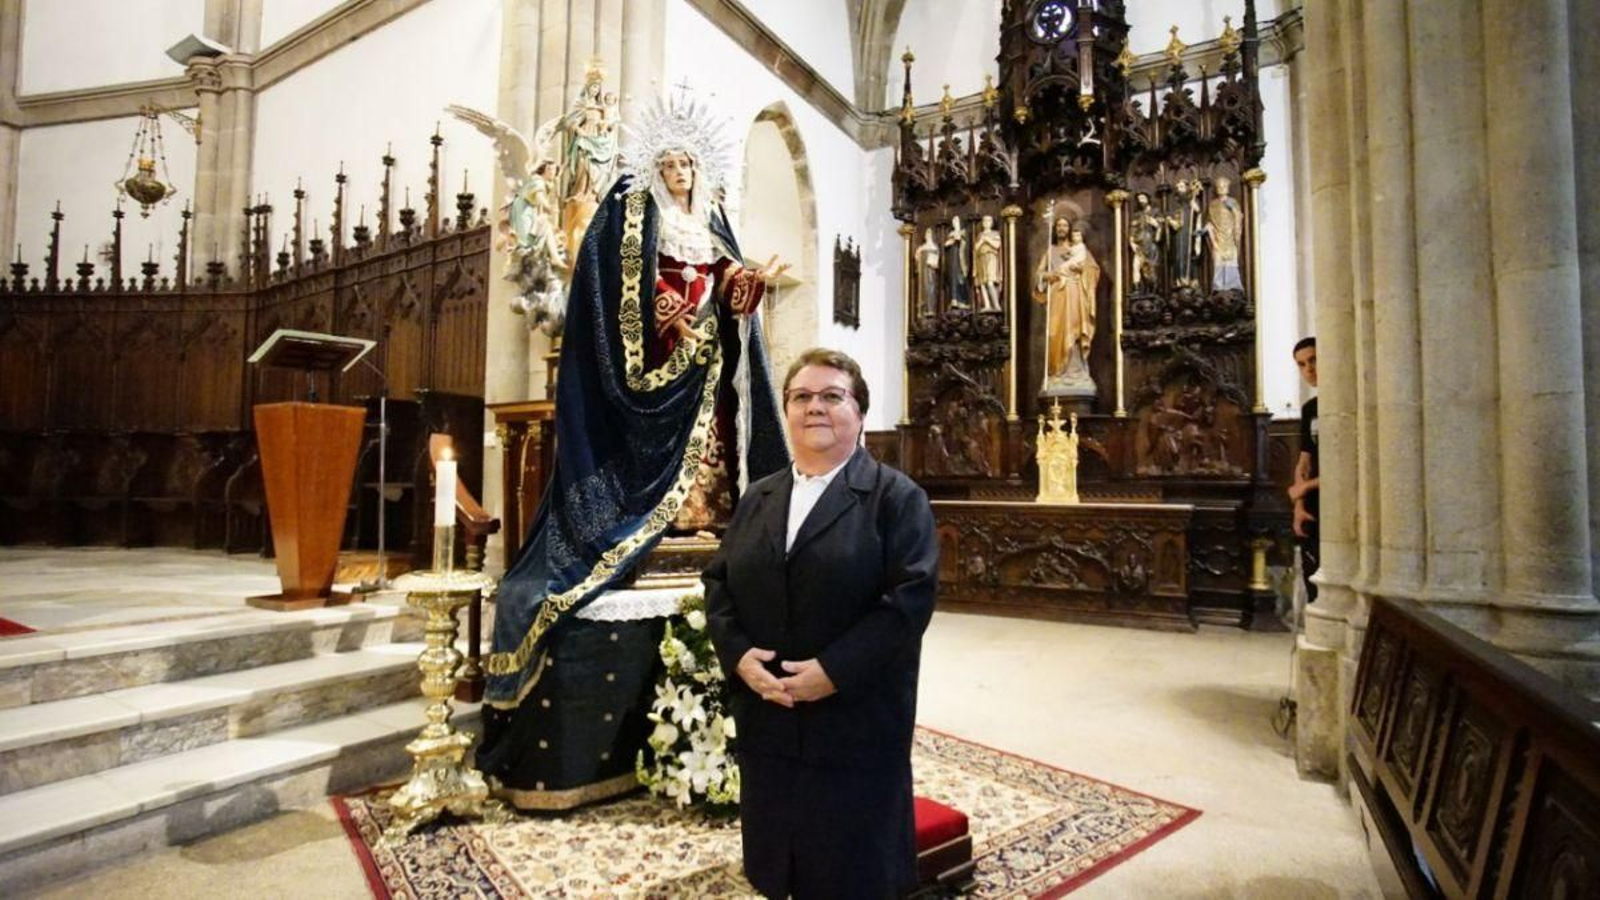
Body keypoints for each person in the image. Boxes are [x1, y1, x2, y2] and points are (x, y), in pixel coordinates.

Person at [478, 89, 792, 802]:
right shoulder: (632, 218)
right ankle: (664, 516)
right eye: (671, 162)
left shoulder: (711, 221)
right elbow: (615, 291)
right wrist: (660, 314)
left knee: (712, 449)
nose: (680, 172)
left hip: (704, 363)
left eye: (689, 163)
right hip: (655, 363)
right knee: (667, 455)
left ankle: (700, 516)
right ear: (658, 166)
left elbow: (730, 289)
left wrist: (746, 286)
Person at [705, 348, 939, 900]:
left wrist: (833, 671)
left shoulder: (895, 498)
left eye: (833, 396)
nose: (815, 407)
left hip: (854, 716)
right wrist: (738, 656)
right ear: (785, 411)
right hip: (769, 711)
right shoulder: (758, 497)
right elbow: (718, 583)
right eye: (801, 396)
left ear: (859, 414)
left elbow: (909, 600)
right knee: (777, 852)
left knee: (849, 863)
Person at [1288, 337, 1319, 601]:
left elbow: (1350, 465)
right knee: (1313, 574)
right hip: (1313, 503)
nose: (1309, 369)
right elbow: (1304, 462)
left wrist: (1305, 487)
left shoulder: (1349, 403)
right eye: (1301, 365)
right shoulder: (1311, 409)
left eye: (1313, 360)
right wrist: (1299, 505)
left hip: (1339, 496)